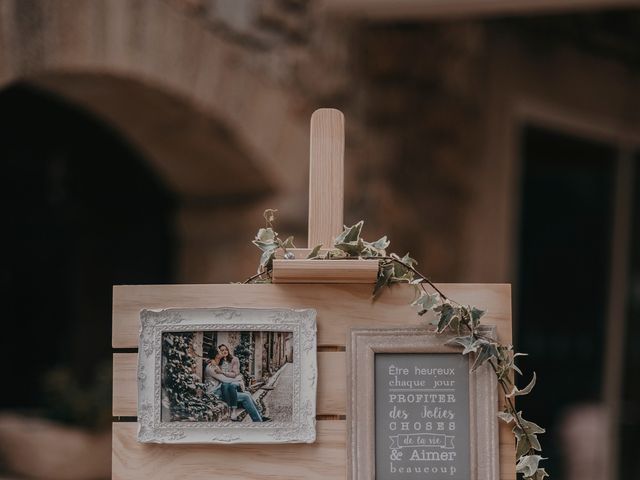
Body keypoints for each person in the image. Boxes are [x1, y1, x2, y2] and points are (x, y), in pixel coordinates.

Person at [204, 347, 270, 422]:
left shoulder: (216, 364)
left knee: (247, 393)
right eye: (219, 351)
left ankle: (260, 417)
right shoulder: (212, 368)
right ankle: (258, 421)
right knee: (245, 397)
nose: (221, 352)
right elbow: (225, 379)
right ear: (216, 355)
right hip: (214, 393)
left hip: (221, 390)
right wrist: (239, 379)